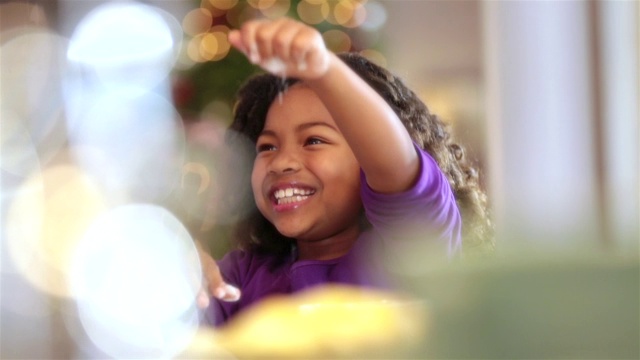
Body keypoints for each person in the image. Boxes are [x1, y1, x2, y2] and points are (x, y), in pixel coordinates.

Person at [196, 18, 493, 326]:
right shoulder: (240, 279)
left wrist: (323, 68)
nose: (282, 162)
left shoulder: (410, 251)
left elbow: (395, 163)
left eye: (313, 140)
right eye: (267, 146)